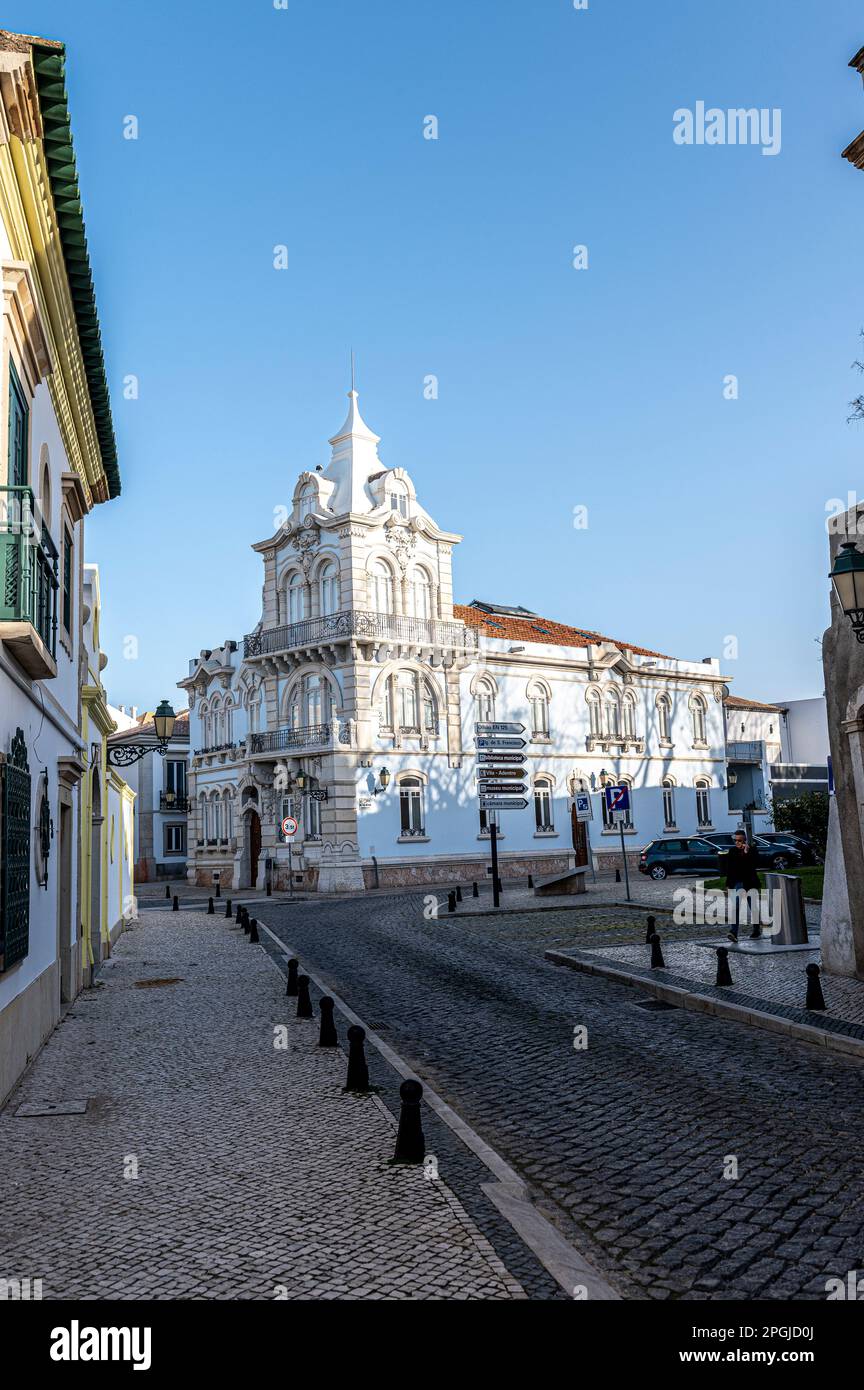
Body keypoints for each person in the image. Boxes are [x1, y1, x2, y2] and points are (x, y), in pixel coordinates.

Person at [723, 830, 761, 942]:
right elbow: (730, 868)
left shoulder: (752, 850)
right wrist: (728, 884)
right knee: (736, 907)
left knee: (753, 907)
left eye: (739, 840)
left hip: (750, 882)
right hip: (738, 883)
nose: (737, 842)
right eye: (735, 840)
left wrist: (746, 852)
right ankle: (733, 932)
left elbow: (755, 864)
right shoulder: (732, 851)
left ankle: (756, 929)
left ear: (744, 840)